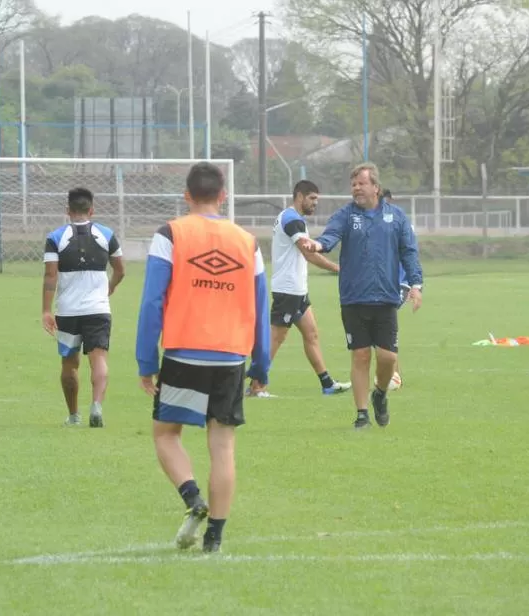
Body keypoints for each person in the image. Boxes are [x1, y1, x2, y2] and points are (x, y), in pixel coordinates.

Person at [135, 162, 270, 553]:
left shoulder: (170, 234)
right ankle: (215, 537)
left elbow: (152, 301)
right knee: (223, 447)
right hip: (230, 358)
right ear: (223, 196)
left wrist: (147, 361)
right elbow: (262, 307)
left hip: (183, 353)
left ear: (187, 195)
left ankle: (193, 498)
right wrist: (261, 365)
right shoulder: (248, 241)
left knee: (165, 434)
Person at [311, 163, 423, 429]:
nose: (356, 189)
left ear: (376, 187)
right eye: (353, 185)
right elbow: (330, 237)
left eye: (361, 183)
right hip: (353, 298)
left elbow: (409, 251)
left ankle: (380, 394)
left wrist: (416, 284)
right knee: (360, 355)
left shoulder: (395, 217)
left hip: (385, 298)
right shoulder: (346, 215)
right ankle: (361, 414)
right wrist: (317, 244)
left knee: (387, 358)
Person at [246, 180, 351, 398]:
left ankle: (327, 383)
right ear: (300, 196)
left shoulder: (289, 217)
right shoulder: (293, 220)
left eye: (316, 200)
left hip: (297, 290)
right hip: (288, 290)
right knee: (276, 338)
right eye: (312, 199)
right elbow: (309, 252)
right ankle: (257, 385)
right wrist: (338, 268)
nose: (315, 204)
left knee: (311, 334)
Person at [42, 187, 125, 428]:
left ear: (67, 211)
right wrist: (110, 287)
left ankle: (74, 415)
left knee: (69, 364)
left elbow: (50, 276)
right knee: (98, 359)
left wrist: (46, 310)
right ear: (91, 210)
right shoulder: (106, 234)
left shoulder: (55, 237)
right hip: (98, 309)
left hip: (67, 311)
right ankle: (96, 405)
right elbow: (120, 270)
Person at [382, 188, 409, 390]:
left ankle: (394, 375)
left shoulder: (397, 221)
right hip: (382, 284)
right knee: (381, 328)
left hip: (398, 284)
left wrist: (413, 283)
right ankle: (393, 374)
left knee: (384, 326)